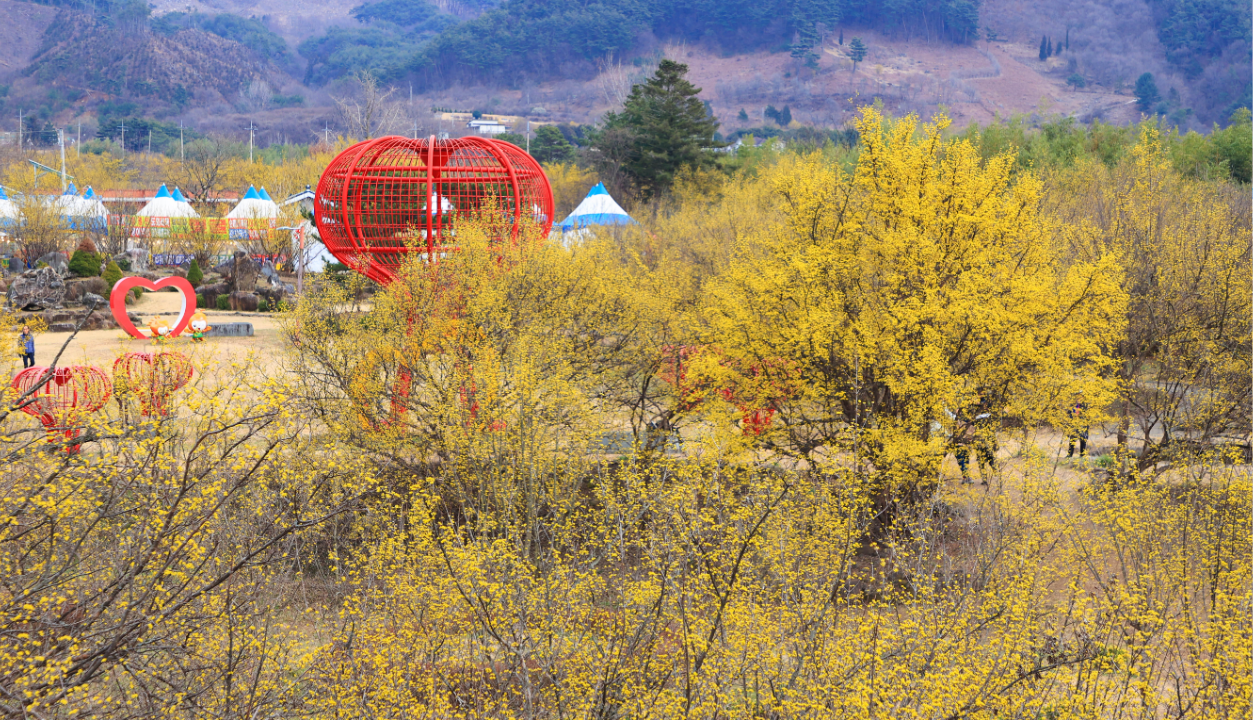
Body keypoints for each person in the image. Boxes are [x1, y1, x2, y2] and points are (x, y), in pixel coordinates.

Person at [951, 396, 998, 485]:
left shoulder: (973, 418)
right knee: (985, 459)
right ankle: (990, 476)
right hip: (977, 441)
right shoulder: (974, 418)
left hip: (976, 442)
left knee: (983, 460)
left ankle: (989, 476)